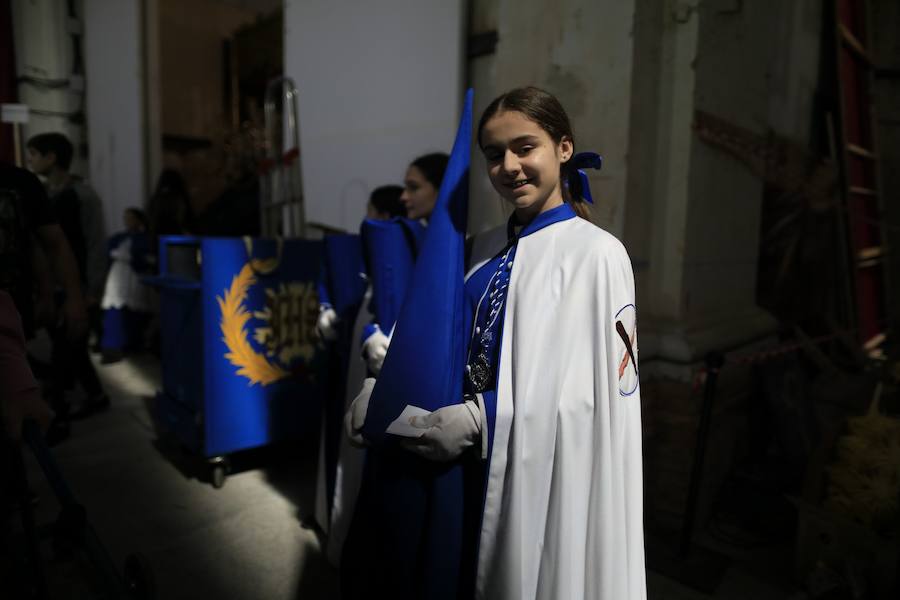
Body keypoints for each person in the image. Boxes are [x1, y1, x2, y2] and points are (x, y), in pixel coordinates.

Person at [345, 87, 646, 599]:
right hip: (456, 468)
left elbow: (596, 396)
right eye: (494, 154)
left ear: (564, 148)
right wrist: (386, 382)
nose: (509, 166)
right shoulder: (482, 247)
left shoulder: (597, 256)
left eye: (525, 147)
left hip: (527, 469)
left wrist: (485, 417)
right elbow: (442, 336)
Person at [26, 133, 108, 420]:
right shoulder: (47, 195)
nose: (31, 161)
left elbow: (97, 244)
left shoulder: (83, 195)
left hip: (78, 287)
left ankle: (57, 408)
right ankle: (92, 395)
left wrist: (92, 291)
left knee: (65, 349)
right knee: (72, 349)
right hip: (56, 286)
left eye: (35, 154)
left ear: (52, 157)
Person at [99, 208, 155, 363]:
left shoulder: (144, 239)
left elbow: (145, 257)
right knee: (115, 311)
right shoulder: (119, 238)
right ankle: (112, 348)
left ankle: (133, 344)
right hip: (118, 277)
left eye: (131, 218)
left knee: (134, 311)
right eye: (126, 218)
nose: (127, 221)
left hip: (134, 277)